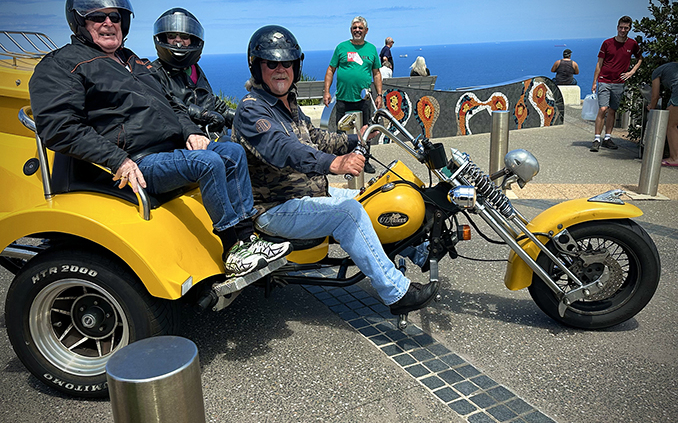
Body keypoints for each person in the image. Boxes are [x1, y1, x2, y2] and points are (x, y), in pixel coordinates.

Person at [29, 0, 291, 278]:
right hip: (134, 162)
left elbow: (171, 103)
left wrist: (189, 129)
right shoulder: (62, 64)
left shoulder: (132, 61)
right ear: (79, 22)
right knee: (208, 162)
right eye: (97, 17)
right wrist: (117, 160)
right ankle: (232, 249)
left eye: (115, 16)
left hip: (168, 153)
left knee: (232, 152)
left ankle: (248, 239)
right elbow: (59, 127)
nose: (108, 23)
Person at [232, 25, 439, 316]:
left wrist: (357, 138)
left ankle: (419, 251)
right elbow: (282, 148)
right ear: (256, 66)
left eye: (287, 63)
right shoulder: (252, 109)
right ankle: (396, 292)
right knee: (348, 213)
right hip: (273, 209)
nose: (281, 69)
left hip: (302, 201)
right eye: (272, 63)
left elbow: (316, 138)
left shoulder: (286, 104)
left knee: (368, 199)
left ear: (296, 65)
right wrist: (333, 164)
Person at [151, 8, 235, 138]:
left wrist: (241, 116)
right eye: (172, 36)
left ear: (193, 39)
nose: (178, 41)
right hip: (186, 137)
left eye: (184, 36)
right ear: (163, 38)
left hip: (211, 131)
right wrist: (203, 115)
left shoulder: (194, 69)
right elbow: (168, 108)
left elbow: (212, 102)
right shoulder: (155, 73)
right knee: (233, 150)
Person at [323, 16, 383, 174]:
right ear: (351, 30)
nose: (357, 30)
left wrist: (379, 95)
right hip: (343, 98)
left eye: (360, 28)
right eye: (355, 27)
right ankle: (343, 162)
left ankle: (365, 161)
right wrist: (326, 92)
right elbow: (331, 69)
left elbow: (376, 73)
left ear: (366, 31)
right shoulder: (341, 47)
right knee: (341, 133)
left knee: (366, 132)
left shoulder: (371, 49)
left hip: (364, 99)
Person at [590, 15, 643, 152]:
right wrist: (595, 82)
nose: (623, 30)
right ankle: (596, 138)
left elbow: (639, 58)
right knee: (603, 109)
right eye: (621, 27)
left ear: (629, 29)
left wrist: (632, 72)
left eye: (626, 28)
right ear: (617, 27)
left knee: (612, 110)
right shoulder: (607, 43)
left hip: (619, 82)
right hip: (604, 80)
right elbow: (599, 63)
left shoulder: (632, 44)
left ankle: (607, 138)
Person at [648, 61, 678, 167]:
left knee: (670, 125)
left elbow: (655, 95)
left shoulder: (656, 72)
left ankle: (675, 157)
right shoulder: (674, 66)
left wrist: (651, 107)